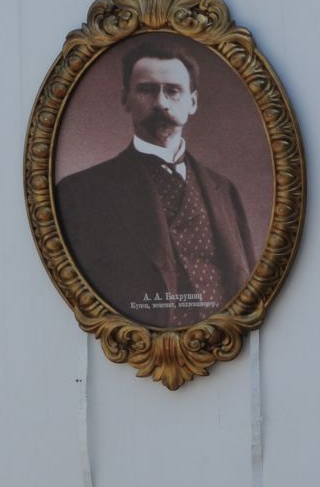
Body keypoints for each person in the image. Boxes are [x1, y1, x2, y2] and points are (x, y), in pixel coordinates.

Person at [55, 38, 256, 328]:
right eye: (147, 90)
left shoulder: (224, 191)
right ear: (125, 99)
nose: (161, 102)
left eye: (173, 91)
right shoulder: (81, 193)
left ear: (193, 102)